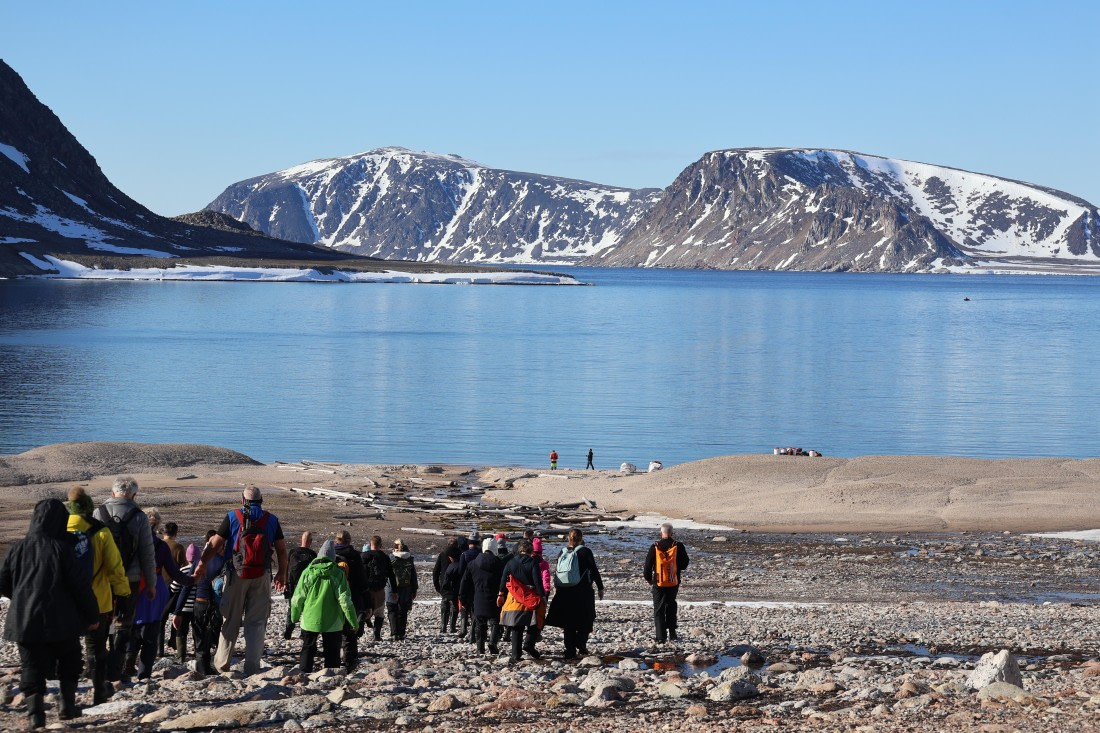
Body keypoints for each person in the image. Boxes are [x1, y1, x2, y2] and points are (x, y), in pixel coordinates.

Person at [1, 498, 100, 729]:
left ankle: (35, 714)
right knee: (69, 661)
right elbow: (81, 587)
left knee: (31, 666)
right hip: (62, 620)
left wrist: (21, 598)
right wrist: (93, 616)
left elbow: (3, 583)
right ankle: (66, 706)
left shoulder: (17, 549)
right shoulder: (62, 550)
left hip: (25, 619)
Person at [193, 485, 288, 675]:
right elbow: (281, 550)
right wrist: (282, 573)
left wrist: (202, 563)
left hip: (235, 575)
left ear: (243, 500)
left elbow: (215, 544)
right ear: (261, 500)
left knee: (231, 619)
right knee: (257, 622)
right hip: (262, 575)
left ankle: (222, 665)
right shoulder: (271, 520)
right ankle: (252, 667)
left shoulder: (232, 516)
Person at [66, 487, 129, 705]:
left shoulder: (59, 529)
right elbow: (115, 568)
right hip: (98, 601)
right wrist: (123, 594)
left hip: (65, 602)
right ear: (89, 507)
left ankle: (67, 696)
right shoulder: (101, 532)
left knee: (67, 647)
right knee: (96, 647)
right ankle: (98, 690)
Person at [93, 476, 157, 684]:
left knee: (101, 621)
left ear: (112, 493)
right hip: (130, 579)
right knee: (124, 623)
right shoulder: (139, 517)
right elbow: (147, 554)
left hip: (102, 579)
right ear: (134, 496)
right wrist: (151, 583)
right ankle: (115, 670)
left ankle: (97, 668)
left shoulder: (98, 513)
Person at [129, 508, 192, 679]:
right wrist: (191, 580)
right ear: (157, 526)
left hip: (134, 588)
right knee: (151, 633)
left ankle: (127, 669)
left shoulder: (131, 542)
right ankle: (144, 673)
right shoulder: (161, 546)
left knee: (133, 630)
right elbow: (175, 572)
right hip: (156, 591)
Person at [290, 540, 358, 672]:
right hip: (333, 622)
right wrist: (353, 622)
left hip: (310, 619)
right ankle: (331, 675)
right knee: (332, 650)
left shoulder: (308, 572)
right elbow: (345, 600)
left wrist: (294, 617)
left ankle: (304, 673)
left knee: (308, 647)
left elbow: (297, 598)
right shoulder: (338, 573)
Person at [545, 528, 605, 658]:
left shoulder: (563, 551)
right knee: (588, 617)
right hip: (583, 590)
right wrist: (600, 587)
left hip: (565, 590)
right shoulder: (585, 551)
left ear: (569, 538)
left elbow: (557, 571)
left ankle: (569, 650)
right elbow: (594, 570)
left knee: (568, 621)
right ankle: (581, 642)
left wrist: (556, 587)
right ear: (581, 538)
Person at [497, 539, 546, 663]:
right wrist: (542, 596)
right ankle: (529, 644)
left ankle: (515, 654)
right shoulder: (533, 562)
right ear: (530, 550)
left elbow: (503, 579)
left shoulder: (510, 562)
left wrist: (501, 594)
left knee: (516, 626)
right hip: (530, 596)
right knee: (535, 622)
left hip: (514, 597)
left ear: (519, 550)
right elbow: (537, 581)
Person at [643, 523, 690, 643]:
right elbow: (684, 564)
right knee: (671, 605)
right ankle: (672, 633)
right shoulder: (678, 546)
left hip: (658, 582)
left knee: (659, 609)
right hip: (673, 581)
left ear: (661, 533)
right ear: (672, 533)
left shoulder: (655, 546)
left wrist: (649, 579)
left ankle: (660, 637)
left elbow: (647, 566)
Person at [459, 538, 505, 655]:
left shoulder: (473, 564)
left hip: (478, 596)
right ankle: (493, 642)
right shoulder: (500, 564)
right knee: (495, 621)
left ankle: (480, 648)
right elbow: (504, 581)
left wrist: (462, 598)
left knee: (480, 623)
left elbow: (465, 582)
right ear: (495, 549)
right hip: (495, 596)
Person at [333, 530, 368, 671]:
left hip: (333, 597)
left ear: (336, 540)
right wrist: (367, 601)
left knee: (333, 631)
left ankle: (333, 662)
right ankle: (349, 663)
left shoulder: (330, 555)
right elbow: (362, 580)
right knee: (350, 632)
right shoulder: (355, 556)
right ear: (349, 541)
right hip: (352, 596)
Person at [190, 530, 223, 674]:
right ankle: (214, 666)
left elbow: (188, 585)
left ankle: (201, 670)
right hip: (216, 605)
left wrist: (178, 611)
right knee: (216, 638)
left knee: (200, 639)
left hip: (199, 602)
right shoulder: (223, 562)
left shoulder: (198, 561)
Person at [360, 536, 396, 642]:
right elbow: (391, 575)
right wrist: (394, 591)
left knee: (363, 610)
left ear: (370, 545)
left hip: (365, 589)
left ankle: (359, 632)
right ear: (380, 546)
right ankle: (376, 635)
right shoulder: (385, 557)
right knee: (379, 613)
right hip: (380, 589)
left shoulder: (362, 556)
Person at [159, 521, 186, 656]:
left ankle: (159, 649)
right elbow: (183, 568)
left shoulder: (157, 545)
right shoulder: (178, 547)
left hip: (159, 586)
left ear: (163, 532)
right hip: (174, 587)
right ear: (175, 533)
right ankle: (173, 641)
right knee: (177, 614)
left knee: (160, 619)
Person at [169, 544, 200, 661]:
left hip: (183, 607)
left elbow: (174, 587)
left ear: (187, 557)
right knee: (197, 630)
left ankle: (181, 655)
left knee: (181, 631)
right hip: (197, 606)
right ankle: (198, 653)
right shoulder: (202, 570)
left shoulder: (182, 570)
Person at [283, 532, 316, 640]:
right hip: (307, 586)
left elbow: (287, 568)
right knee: (306, 608)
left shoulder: (293, 552)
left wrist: (285, 582)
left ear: (300, 540)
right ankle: (303, 632)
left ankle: (289, 628)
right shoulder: (313, 555)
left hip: (293, 584)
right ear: (310, 542)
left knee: (292, 606)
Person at [386, 539, 417, 640]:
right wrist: (414, 590)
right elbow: (413, 576)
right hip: (406, 588)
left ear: (395, 547)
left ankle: (394, 633)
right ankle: (401, 633)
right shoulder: (409, 559)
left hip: (391, 588)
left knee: (392, 610)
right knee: (403, 611)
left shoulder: (390, 558)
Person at [453, 530, 481, 639]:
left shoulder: (464, 554)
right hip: (477, 583)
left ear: (469, 543)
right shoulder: (481, 554)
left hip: (465, 582)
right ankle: (473, 633)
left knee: (464, 605)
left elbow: (460, 571)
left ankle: (463, 628)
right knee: (475, 607)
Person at [432, 538, 461, 634]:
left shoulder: (443, 554)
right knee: (455, 604)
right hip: (456, 582)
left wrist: (437, 585)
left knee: (445, 602)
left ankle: (443, 626)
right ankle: (452, 627)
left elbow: (436, 571)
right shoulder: (460, 554)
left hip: (444, 582)